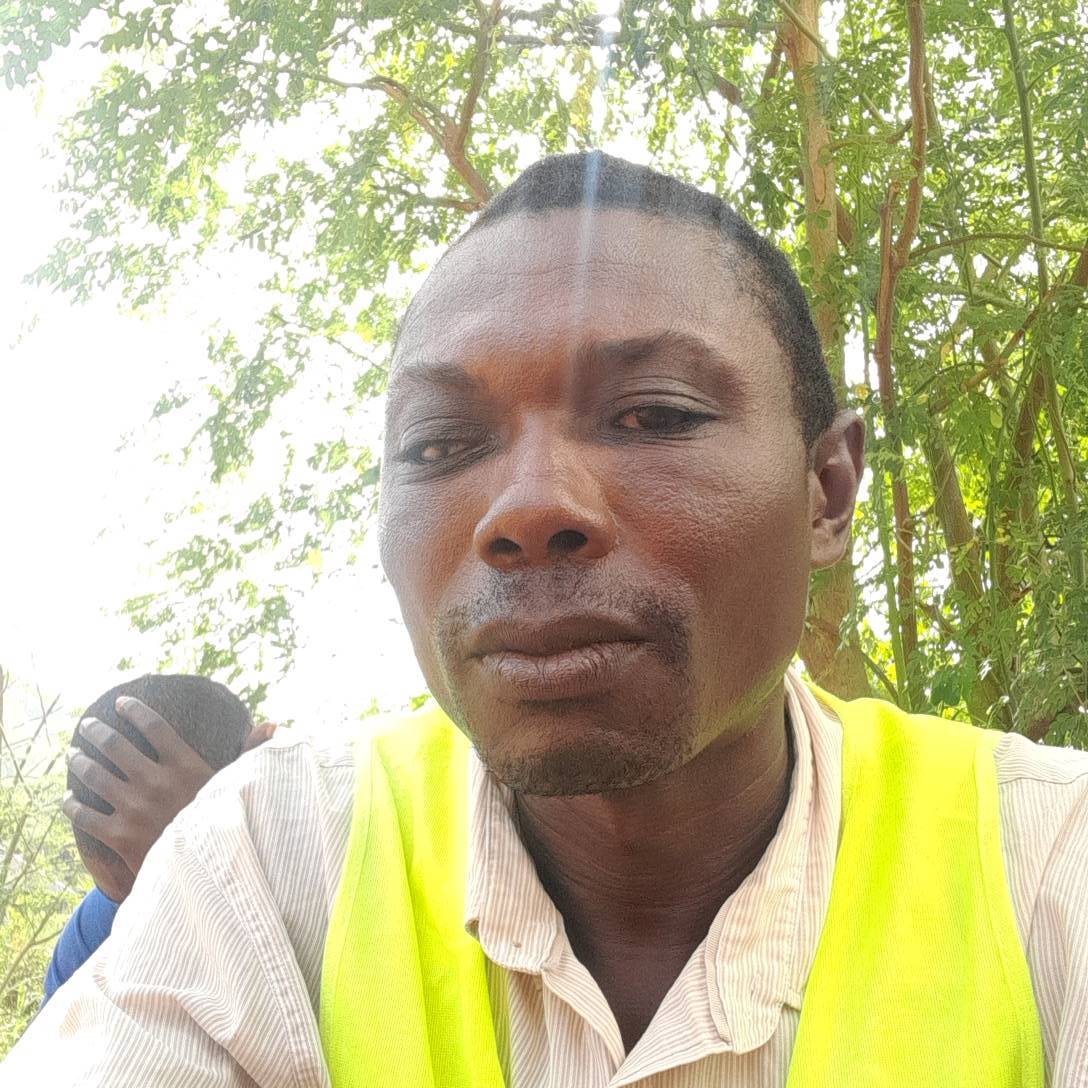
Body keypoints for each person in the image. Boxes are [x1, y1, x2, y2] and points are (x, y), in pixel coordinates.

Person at [4, 151, 1087, 1086]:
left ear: (827, 492)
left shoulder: (1048, 861)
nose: (525, 510)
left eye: (651, 415)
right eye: (441, 445)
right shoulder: (268, 862)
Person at [43, 674, 275, 1004]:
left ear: (262, 755)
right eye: (126, 897)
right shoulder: (94, 936)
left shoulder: (336, 868)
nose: (146, 913)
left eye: (164, 882)